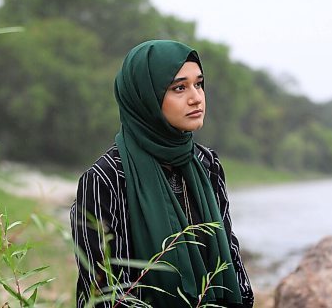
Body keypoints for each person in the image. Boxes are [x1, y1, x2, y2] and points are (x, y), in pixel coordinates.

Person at [70, 40, 254, 308]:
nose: (196, 97)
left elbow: (231, 255)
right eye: (179, 87)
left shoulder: (207, 163)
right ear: (145, 97)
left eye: (199, 84)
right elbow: (103, 290)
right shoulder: (105, 179)